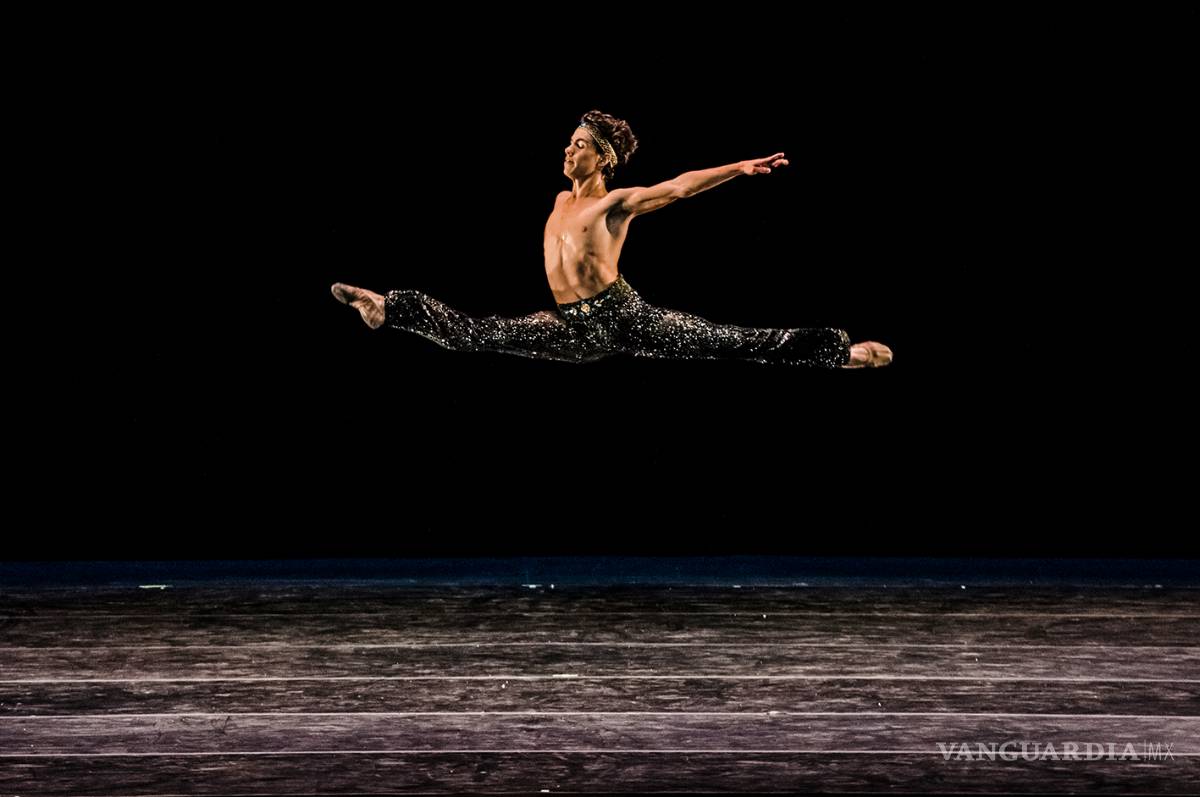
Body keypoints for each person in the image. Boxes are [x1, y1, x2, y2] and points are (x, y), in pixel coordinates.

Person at [332, 110, 892, 369]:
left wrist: (739, 168)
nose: (568, 149)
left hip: (622, 316)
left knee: (726, 341)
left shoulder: (613, 204)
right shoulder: (558, 201)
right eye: (569, 142)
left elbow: (679, 187)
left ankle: (840, 352)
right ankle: (388, 307)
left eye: (579, 144)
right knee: (476, 335)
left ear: (602, 157)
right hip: (572, 328)